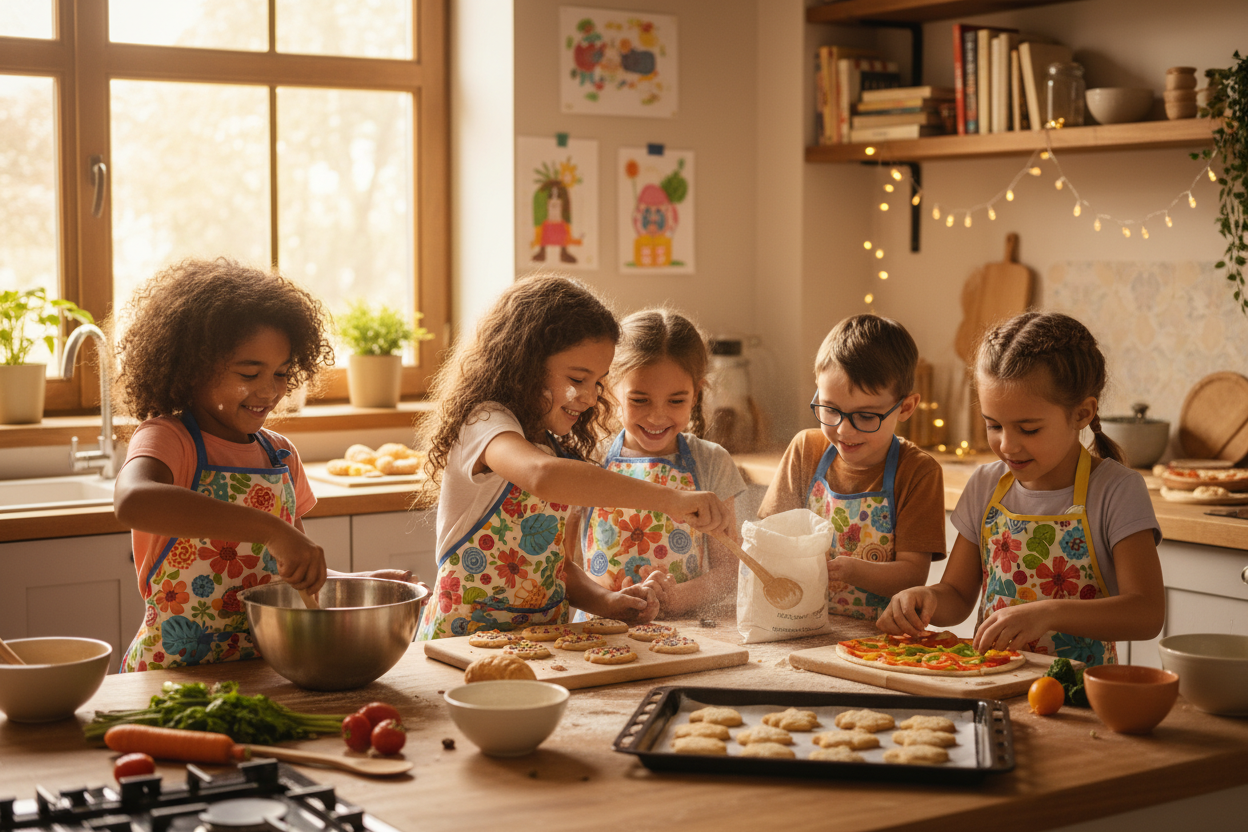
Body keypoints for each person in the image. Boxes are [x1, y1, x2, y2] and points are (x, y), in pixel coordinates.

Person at [111, 257, 409, 672]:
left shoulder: (280, 455)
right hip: (172, 674)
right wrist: (271, 529)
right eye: (249, 373)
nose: (269, 390)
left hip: (260, 669)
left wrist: (358, 584)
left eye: (282, 373)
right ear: (193, 367)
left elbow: (288, 570)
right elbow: (133, 502)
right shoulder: (170, 439)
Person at [414, 275, 733, 640]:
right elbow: (542, 476)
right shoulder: (485, 424)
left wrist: (607, 601)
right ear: (527, 363)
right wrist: (670, 500)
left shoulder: (548, 444)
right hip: (463, 642)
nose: (591, 398)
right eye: (578, 378)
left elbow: (556, 568)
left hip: (544, 643)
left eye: (597, 382)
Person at [878, 312, 1164, 666]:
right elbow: (957, 594)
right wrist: (926, 598)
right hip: (991, 682)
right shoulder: (986, 485)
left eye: (1028, 429)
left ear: (1082, 414)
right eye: (993, 425)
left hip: (1078, 699)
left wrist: (1048, 613)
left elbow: (1147, 612)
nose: (1008, 445)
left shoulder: (1116, 491)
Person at [758, 314, 946, 621]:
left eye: (866, 416)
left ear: (906, 407)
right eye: (830, 410)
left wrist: (853, 570)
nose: (844, 430)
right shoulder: (806, 451)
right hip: (798, 626)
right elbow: (771, 539)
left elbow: (912, 577)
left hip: (878, 641)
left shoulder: (918, 473)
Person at [578, 309, 747, 617]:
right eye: (639, 400)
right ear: (611, 389)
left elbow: (729, 570)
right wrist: (606, 600)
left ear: (696, 394)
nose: (657, 416)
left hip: (683, 631)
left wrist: (675, 597)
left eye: (676, 400)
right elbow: (566, 565)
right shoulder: (587, 457)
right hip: (599, 627)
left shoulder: (711, 462)